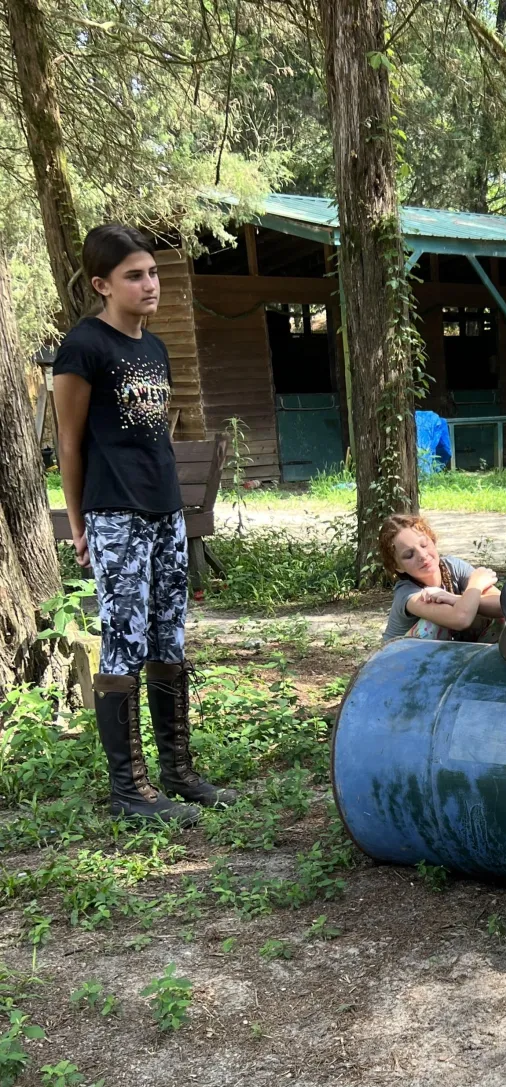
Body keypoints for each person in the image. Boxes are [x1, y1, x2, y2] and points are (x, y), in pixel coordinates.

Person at [53, 224, 236, 827]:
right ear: (103, 285)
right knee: (125, 638)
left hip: (164, 513)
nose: (150, 284)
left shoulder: (153, 348)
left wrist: (174, 512)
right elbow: (69, 443)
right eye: (135, 276)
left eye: (153, 272)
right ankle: (128, 788)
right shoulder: (83, 347)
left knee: (168, 637)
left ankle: (178, 773)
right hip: (113, 514)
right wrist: (79, 521)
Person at [380, 514, 502, 642]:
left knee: (496, 616)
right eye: (409, 555)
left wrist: (455, 599)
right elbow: (461, 619)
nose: (422, 555)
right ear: (397, 567)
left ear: (432, 540)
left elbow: (503, 606)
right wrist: (476, 585)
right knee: (434, 624)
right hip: (399, 659)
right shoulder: (408, 593)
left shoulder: (453, 566)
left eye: (424, 545)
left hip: (444, 655)